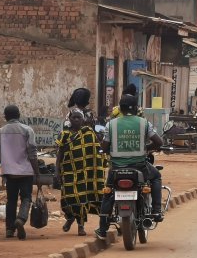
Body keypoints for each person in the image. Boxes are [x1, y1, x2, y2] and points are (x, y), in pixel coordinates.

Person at [95, 94, 163, 239]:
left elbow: (105, 146)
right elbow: (159, 142)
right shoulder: (143, 123)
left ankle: (102, 228)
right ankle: (157, 211)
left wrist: (107, 150)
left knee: (108, 193)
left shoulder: (111, 124)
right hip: (140, 167)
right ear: (137, 107)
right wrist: (147, 148)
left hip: (116, 168)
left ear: (120, 108)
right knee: (156, 176)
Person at [0, 105, 39, 240]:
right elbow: (33, 154)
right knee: (26, 198)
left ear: (5, 116)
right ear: (19, 115)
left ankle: (9, 229)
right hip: (26, 172)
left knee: (11, 200)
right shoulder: (27, 130)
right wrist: (37, 173)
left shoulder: (0, 132)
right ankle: (21, 219)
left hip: (9, 173)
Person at [55, 108, 106, 236]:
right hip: (68, 172)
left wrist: (101, 163)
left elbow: (96, 150)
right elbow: (59, 154)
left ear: (83, 119)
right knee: (68, 199)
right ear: (69, 119)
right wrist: (57, 172)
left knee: (82, 199)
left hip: (86, 174)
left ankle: (80, 226)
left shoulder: (88, 133)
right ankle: (70, 218)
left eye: (79, 117)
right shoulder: (64, 135)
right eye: (74, 117)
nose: (76, 120)